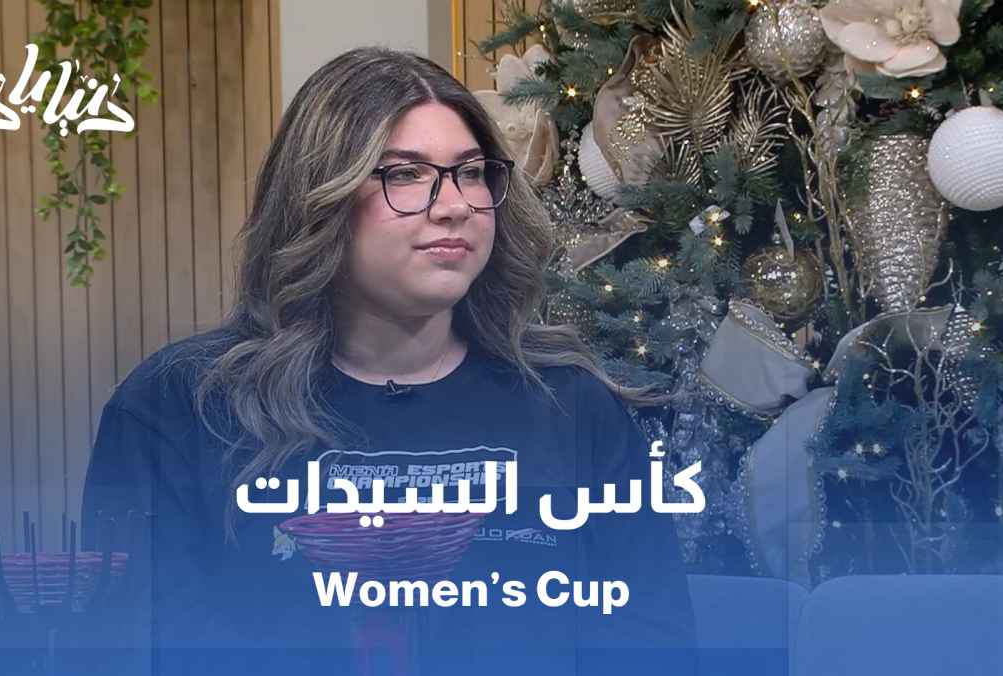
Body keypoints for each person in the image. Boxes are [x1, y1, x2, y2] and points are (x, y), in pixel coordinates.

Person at [81, 46, 698, 676]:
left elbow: (655, 648)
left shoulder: (570, 404)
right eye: (404, 174)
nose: (454, 204)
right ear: (319, 198)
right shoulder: (179, 408)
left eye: (470, 172)